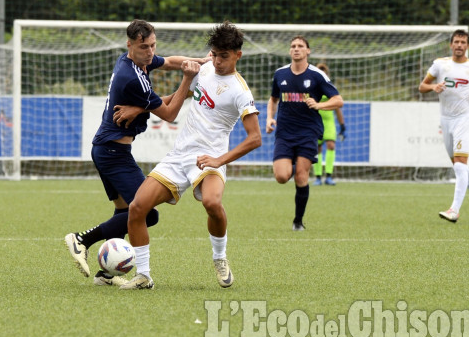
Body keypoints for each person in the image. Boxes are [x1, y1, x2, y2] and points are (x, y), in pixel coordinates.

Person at [64, 19, 207, 285]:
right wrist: (188, 79)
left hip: (107, 150)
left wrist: (202, 61)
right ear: (130, 45)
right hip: (112, 153)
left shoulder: (131, 61)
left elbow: (171, 61)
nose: (150, 52)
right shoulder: (133, 78)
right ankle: (81, 239)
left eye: (153, 45)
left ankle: (105, 274)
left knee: (125, 213)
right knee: (147, 212)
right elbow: (170, 113)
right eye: (144, 47)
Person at [120, 20, 261, 290]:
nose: (217, 61)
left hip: (210, 158)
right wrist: (141, 108)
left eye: (224, 56)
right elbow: (180, 96)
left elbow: (255, 139)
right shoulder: (205, 69)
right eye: (215, 54)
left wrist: (219, 161)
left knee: (211, 203)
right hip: (180, 155)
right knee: (137, 207)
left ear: (237, 56)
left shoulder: (240, 92)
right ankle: (144, 276)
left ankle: (219, 258)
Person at [266, 36, 343, 231]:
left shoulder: (317, 75)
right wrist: (269, 118)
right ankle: (292, 161)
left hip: (308, 132)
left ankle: (298, 221)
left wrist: (319, 105)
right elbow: (273, 99)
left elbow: (338, 100)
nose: (296, 49)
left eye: (300, 46)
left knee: (301, 177)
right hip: (284, 131)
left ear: (308, 51)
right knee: (282, 177)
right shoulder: (280, 74)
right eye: (293, 46)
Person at [419, 29, 469, 223]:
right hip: (446, 120)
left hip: (464, 119)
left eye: (463, 42)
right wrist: (433, 87)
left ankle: (454, 210)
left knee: (460, 164)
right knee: (459, 166)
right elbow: (422, 86)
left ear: (468, 46)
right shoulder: (439, 65)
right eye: (456, 42)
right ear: (451, 44)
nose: (459, 45)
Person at [313, 63, 346, 186]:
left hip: (329, 122)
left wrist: (342, 125)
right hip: (316, 121)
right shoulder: (311, 88)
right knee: (317, 148)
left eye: (324, 72)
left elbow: (337, 107)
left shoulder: (330, 87)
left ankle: (329, 176)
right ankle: (317, 177)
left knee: (331, 145)